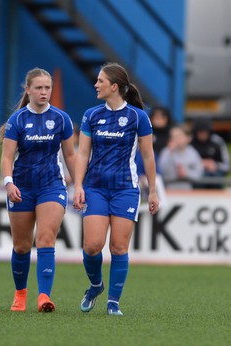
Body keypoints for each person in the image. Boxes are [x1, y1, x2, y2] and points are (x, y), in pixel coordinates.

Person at [72, 62, 159, 316]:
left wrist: (152, 191)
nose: (96, 84)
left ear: (114, 86)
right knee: (92, 246)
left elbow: (148, 156)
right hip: (95, 188)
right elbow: (83, 153)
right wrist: (78, 185)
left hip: (125, 189)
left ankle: (113, 302)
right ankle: (96, 285)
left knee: (119, 248)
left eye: (100, 81)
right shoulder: (91, 115)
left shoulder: (138, 117)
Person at [0, 67, 76, 313]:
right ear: (28, 90)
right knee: (21, 246)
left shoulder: (61, 119)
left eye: (48, 88)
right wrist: (9, 182)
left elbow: (71, 155)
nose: (44, 92)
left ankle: (44, 296)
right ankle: (20, 294)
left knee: (46, 238)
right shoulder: (17, 120)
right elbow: (7, 157)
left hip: (51, 186)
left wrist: (80, 185)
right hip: (21, 188)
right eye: (39, 88)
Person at [158, 125, 204, 189]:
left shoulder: (193, 153)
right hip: (168, 189)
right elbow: (161, 170)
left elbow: (199, 173)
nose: (176, 139)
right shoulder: (166, 152)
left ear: (188, 138)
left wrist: (187, 173)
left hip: (187, 190)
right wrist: (170, 153)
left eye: (179, 136)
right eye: (173, 136)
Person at [191, 118, 231, 189]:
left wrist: (215, 165)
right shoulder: (189, 143)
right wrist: (200, 165)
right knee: (201, 176)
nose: (202, 134)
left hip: (215, 175)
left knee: (215, 176)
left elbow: (227, 166)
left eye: (204, 131)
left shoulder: (218, 142)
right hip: (196, 177)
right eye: (199, 131)